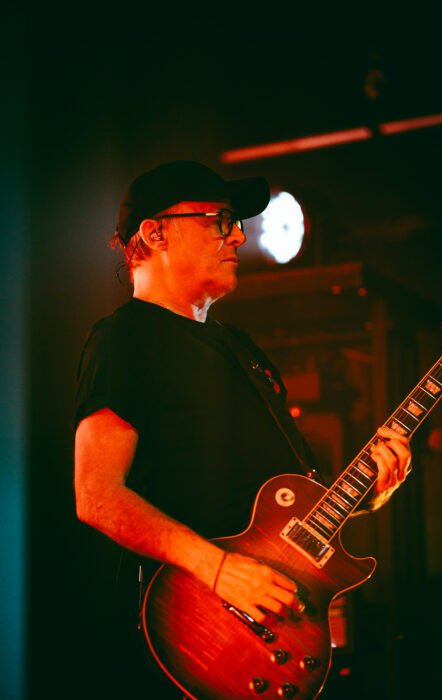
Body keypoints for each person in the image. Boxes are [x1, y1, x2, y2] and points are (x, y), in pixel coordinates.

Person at [74, 161, 411, 698]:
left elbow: (288, 504)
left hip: (276, 625)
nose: (237, 235)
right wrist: (218, 569)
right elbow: (97, 495)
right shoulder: (124, 339)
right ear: (155, 233)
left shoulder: (241, 348)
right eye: (219, 220)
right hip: (198, 633)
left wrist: (367, 493)